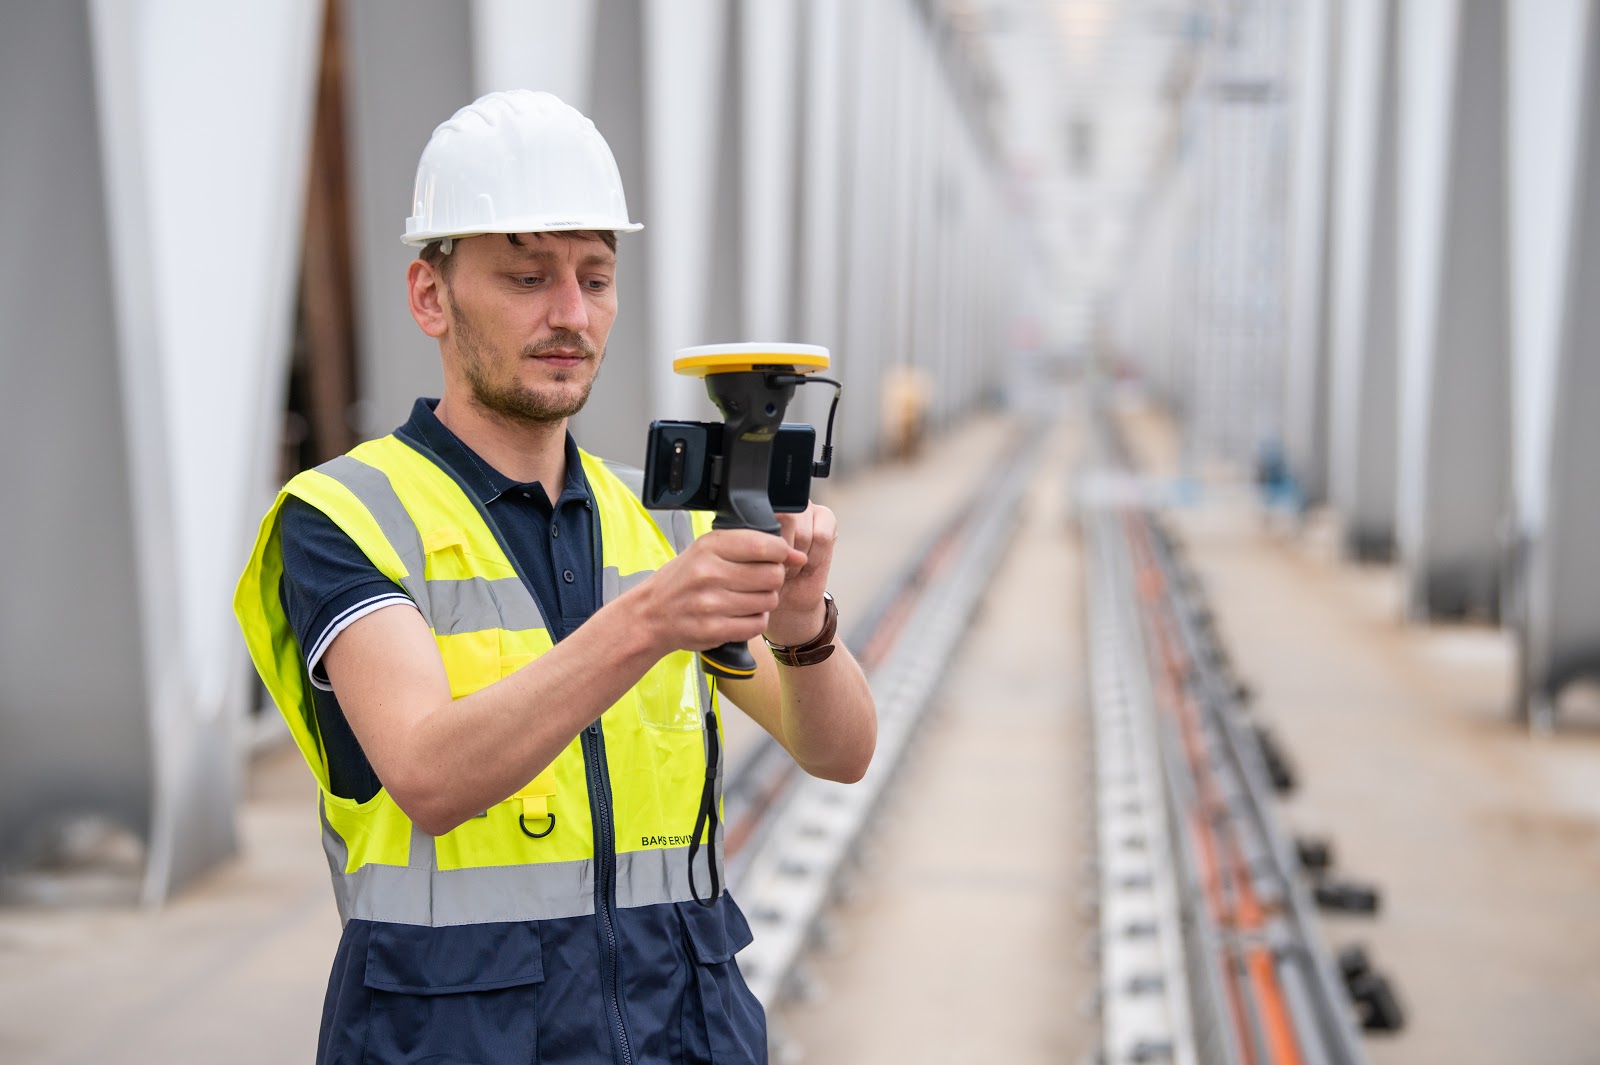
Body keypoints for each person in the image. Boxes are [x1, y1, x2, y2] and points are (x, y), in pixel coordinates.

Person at [234, 89, 876, 1065]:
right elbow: (429, 776)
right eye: (528, 275)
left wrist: (803, 627)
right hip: (455, 1038)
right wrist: (650, 621)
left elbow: (837, 752)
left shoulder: (655, 525)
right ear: (430, 296)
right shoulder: (347, 515)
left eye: (596, 276)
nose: (571, 314)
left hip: (678, 1032)